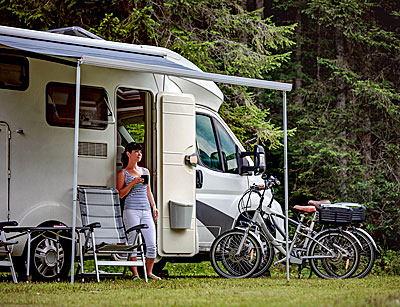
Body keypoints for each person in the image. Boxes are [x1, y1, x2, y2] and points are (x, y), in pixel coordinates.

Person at [117, 142, 161, 280]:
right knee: (133, 243)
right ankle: (135, 274)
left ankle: (149, 272)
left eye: (140, 152)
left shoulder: (145, 171)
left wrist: (153, 206)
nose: (139, 154)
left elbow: (148, 191)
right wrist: (132, 183)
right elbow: (120, 194)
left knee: (152, 243)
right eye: (136, 151)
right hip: (131, 210)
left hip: (146, 210)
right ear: (128, 154)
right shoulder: (123, 173)